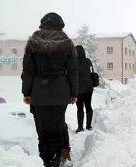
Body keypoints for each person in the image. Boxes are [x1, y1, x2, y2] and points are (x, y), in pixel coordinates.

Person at [21, 12, 78, 167]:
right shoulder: (67, 43)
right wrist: (74, 93)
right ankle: (58, 159)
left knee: (43, 129)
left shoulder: (33, 42)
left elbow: (28, 70)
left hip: (39, 93)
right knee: (58, 125)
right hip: (61, 92)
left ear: (42, 25)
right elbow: (73, 70)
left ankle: (46, 160)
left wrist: (26, 92)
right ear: (60, 25)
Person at [75, 45, 94, 133]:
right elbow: (92, 73)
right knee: (88, 105)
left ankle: (80, 127)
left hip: (79, 89)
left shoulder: (74, 62)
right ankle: (89, 126)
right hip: (89, 88)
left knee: (79, 107)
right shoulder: (88, 61)